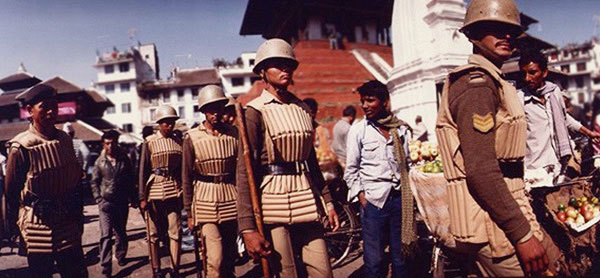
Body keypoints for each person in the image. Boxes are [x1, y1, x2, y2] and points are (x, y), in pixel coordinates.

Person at [435, 0, 562, 276]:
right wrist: (522, 235)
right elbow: (481, 171)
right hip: (493, 224)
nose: (506, 36)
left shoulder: (494, 80)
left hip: (503, 210)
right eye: (494, 28)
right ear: (473, 34)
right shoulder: (476, 85)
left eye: (511, 31)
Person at [237, 38, 339, 278]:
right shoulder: (254, 111)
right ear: (262, 71)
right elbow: (245, 171)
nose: (284, 69)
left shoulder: (302, 108)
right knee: (286, 273)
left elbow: (311, 162)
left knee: (323, 271)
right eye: (277, 64)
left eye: (288, 64)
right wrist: (248, 227)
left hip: (305, 195)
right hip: (273, 199)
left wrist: (328, 202)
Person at [4, 83, 88, 277]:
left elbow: (75, 181)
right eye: (44, 107)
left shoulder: (65, 140)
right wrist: (13, 226)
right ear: (29, 111)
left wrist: (77, 216)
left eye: (54, 106)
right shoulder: (21, 146)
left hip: (66, 221)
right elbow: (11, 192)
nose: (51, 111)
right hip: (37, 226)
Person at [344, 80, 414, 277]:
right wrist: (363, 199)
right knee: (374, 261)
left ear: (385, 102)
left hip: (399, 200)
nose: (365, 106)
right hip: (374, 202)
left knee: (401, 258)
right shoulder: (359, 130)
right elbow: (351, 170)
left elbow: (406, 164)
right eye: (362, 101)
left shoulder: (399, 129)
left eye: (370, 100)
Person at [517, 50, 600, 183]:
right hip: (534, 168)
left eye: (532, 72)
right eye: (523, 74)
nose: (527, 78)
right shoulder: (519, 99)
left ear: (544, 73)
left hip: (558, 163)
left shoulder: (554, 92)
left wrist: (589, 133)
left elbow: (564, 118)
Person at [182, 85, 238, 278]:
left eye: (219, 108)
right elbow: (186, 177)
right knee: (214, 259)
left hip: (231, 198)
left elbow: (242, 171)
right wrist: (189, 212)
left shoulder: (234, 134)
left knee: (230, 256)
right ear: (204, 111)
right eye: (211, 109)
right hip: (205, 199)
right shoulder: (191, 137)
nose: (216, 113)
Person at [139, 105, 183, 278]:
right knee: (153, 233)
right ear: (159, 123)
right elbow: (142, 170)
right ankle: (157, 268)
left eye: (172, 122)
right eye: (165, 123)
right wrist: (142, 196)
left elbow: (182, 169)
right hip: (154, 189)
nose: (169, 126)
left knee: (176, 231)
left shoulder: (179, 142)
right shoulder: (149, 141)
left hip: (173, 188)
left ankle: (175, 268)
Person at [91, 130, 138, 278]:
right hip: (106, 203)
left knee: (121, 232)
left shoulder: (124, 158)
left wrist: (133, 198)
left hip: (121, 202)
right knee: (105, 235)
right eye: (107, 143)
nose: (110, 146)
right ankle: (106, 266)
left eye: (113, 143)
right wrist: (98, 199)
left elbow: (131, 180)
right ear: (103, 144)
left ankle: (121, 255)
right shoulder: (100, 161)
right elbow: (94, 182)